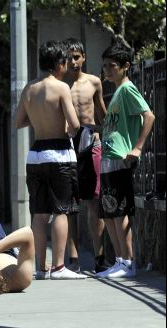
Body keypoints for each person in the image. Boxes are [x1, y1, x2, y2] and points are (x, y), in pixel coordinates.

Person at [15, 40, 85, 280]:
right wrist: (66, 125)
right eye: (65, 61)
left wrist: (38, 120)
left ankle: (40, 268)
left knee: (39, 213)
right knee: (61, 211)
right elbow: (74, 125)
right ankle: (59, 267)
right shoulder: (61, 88)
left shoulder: (29, 88)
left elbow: (18, 122)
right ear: (58, 64)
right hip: (59, 154)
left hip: (35, 156)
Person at [96, 42, 155, 278]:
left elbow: (148, 116)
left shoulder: (128, 89)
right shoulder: (118, 92)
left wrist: (138, 148)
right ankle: (120, 259)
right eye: (105, 66)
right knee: (109, 212)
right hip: (108, 157)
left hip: (120, 158)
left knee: (119, 211)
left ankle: (128, 262)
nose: (107, 70)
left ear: (125, 67)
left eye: (112, 66)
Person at [63, 38, 109, 274]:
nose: (73, 62)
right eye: (69, 57)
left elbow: (102, 114)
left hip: (92, 142)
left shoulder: (94, 82)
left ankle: (99, 256)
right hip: (69, 144)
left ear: (84, 57)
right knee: (70, 204)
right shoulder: (61, 85)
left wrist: (108, 137)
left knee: (94, 202)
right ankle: (72, 258)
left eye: (76, 57)